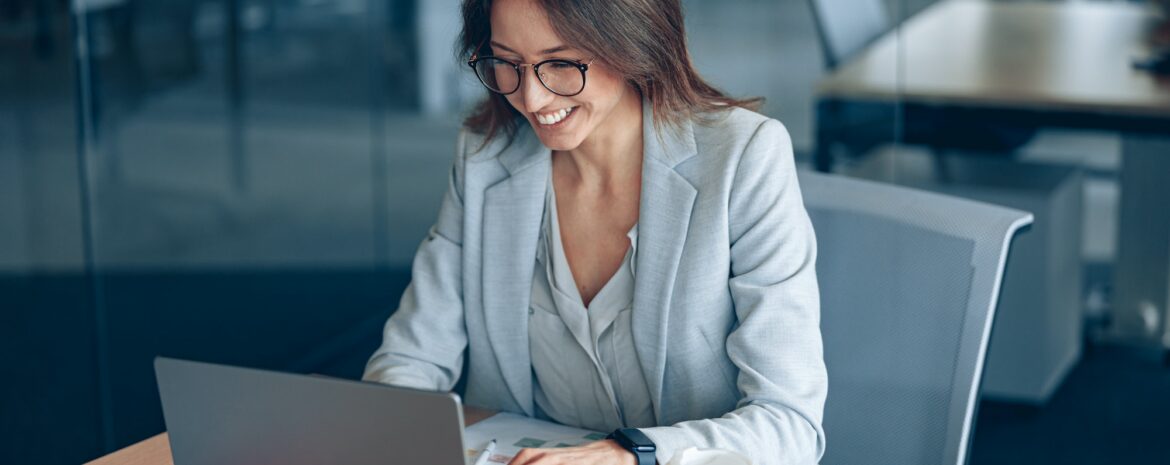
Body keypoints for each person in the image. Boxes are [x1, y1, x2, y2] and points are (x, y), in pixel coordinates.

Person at [363, 0, 827, 463]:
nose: (531, 98)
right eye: (507, 63)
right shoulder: (485, 158)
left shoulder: (743, 158)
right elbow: (410, 361)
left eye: (560, 64)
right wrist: (389, 435)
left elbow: (789, 422)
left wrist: (630, 457)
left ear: (631, 42)